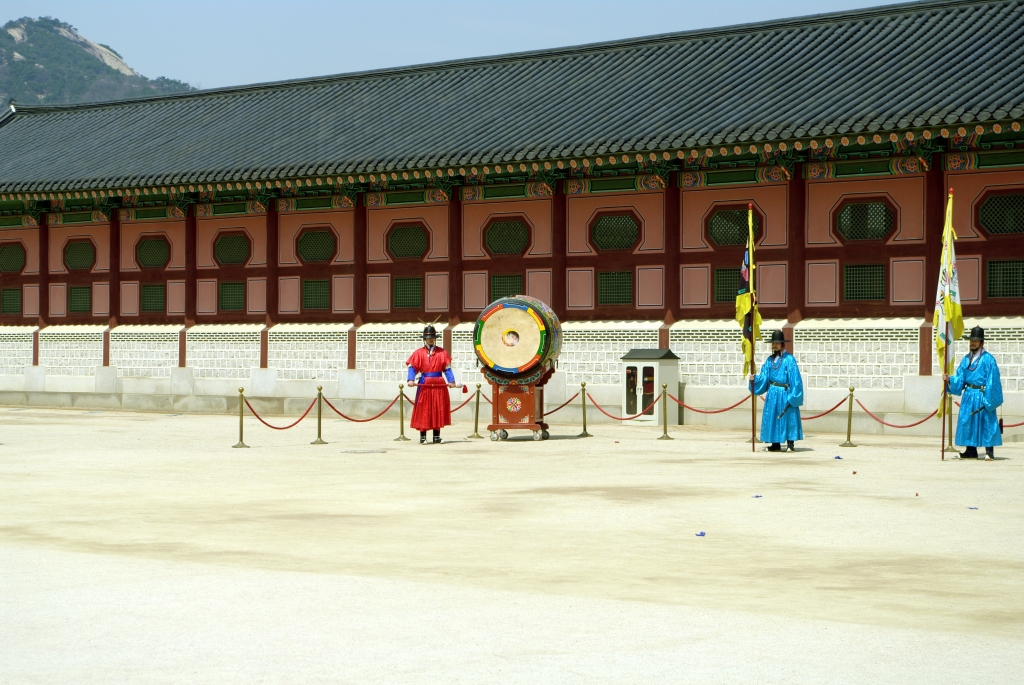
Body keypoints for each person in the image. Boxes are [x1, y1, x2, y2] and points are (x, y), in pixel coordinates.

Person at [944, 326, 1003, 460]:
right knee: (967, 420)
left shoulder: (988, 359)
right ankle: (970, 451)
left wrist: (989, 399)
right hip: (969, 394)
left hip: (983, 394)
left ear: (982, 342)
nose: (973, 343)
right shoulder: (966, 359)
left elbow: (993, 380)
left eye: (976, 341)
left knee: (986, 421)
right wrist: (949, 379)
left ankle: (989, 451)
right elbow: (960, 377)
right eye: (971, 340)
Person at [749, 330, 804, 452]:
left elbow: (796, 379)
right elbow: (764, 377)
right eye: (773, 343)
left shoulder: (789, 359)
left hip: (785, 392)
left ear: (782, 344)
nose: (774, 345)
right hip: (772, 393)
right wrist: (755, 379)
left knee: (788, 417)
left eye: (777, 343)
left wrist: (793, 395)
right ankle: (775, 444)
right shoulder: (769, 360)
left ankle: (790, 443)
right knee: (772, 417)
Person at [406, 324, 457, 444]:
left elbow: (447, 368)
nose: (430, 339)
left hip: (439, 384)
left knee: (437, 408)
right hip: (425, 384)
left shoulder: (442, 352)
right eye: (428, 337)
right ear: (425, 338)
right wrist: (410, 379)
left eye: (432, 337)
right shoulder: (419, 353)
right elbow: (412, 367)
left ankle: (436, 436)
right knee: (424, 409)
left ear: (435, 338)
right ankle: (423, 436)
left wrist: (451, 381)